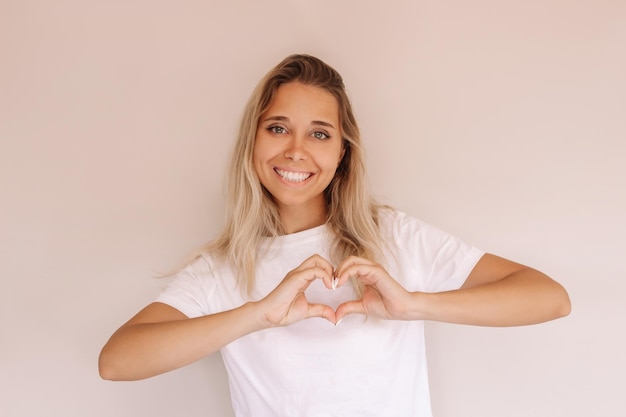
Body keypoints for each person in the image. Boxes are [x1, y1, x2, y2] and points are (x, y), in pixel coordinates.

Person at [99, 54, 571, 416]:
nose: (296, 151)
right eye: (278, 128)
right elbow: (117, 361)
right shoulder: (221, 270)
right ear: (254, 141)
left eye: (320, 134)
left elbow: (549, 298)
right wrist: (258, 315)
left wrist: (412, 304)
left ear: (343, 151)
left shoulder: (393, 237)